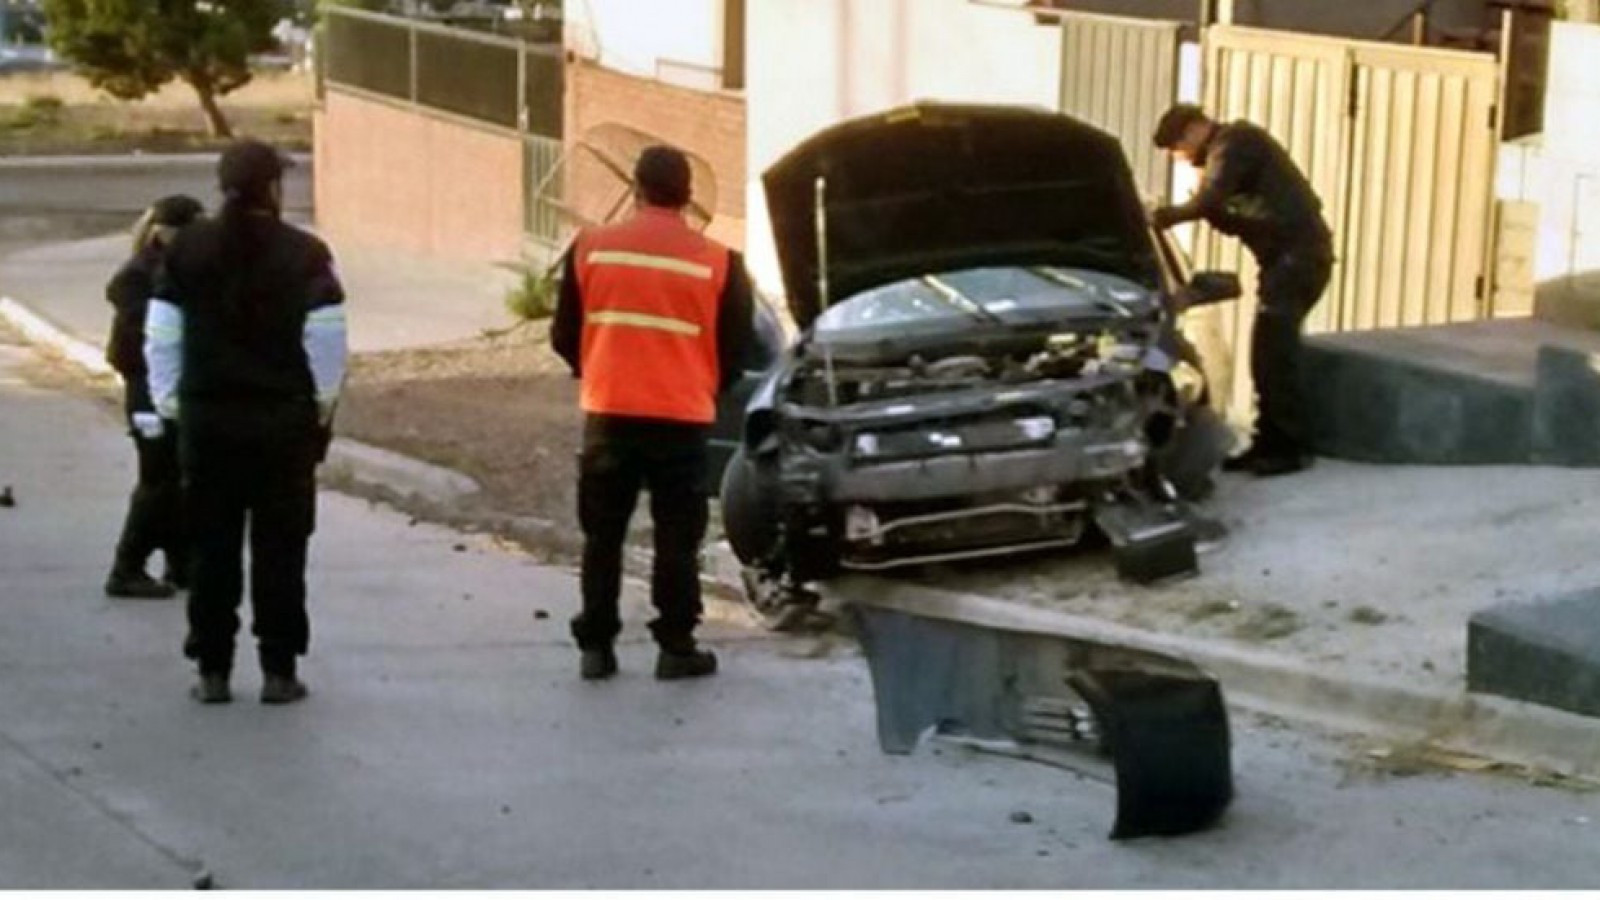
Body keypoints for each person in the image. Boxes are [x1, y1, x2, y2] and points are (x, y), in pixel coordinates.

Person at [145, 139, 347, 704]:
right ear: (273, 188)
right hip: (282, 422)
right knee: (281, 550)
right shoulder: (306, 253)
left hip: (208, 420)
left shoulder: (186, 250)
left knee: (212, 549)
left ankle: (212, 670)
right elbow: (326, 338)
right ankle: (279, 670)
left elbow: (161, 336)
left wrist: (173, 407)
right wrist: (321, 407)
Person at [551, 144, 755, 682]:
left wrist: (598, 369)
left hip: (610, 414)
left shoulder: (590, 248)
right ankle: (676, 646)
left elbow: (564, 334)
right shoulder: (719, 262)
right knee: (677, 538)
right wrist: (703, 383)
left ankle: (597, 647)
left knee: (603, 535)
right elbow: (737, 348)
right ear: (688, 197)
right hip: (682, 420)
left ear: (636, 189)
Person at [1150, 103, 1334, 476]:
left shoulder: (1236, 143)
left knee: (1274, 355)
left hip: (1297, 261)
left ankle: (1288, 447)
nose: (1182, 158)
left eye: (1179, 149)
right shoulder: (1229, 155)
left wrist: (1166, 216)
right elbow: (1228, 213)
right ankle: (1269, 443)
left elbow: (1209, 199)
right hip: (1284, 263)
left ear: (1194, 130)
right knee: (1267, 357)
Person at [103, 194, 204, 599]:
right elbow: (147, 339)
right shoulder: (141, 276)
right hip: (147, 390)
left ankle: (180, 563)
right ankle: (127, 567)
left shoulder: (172, 269)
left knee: (176, 479)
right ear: (164, 233)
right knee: (158, 481)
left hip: (168, 386)